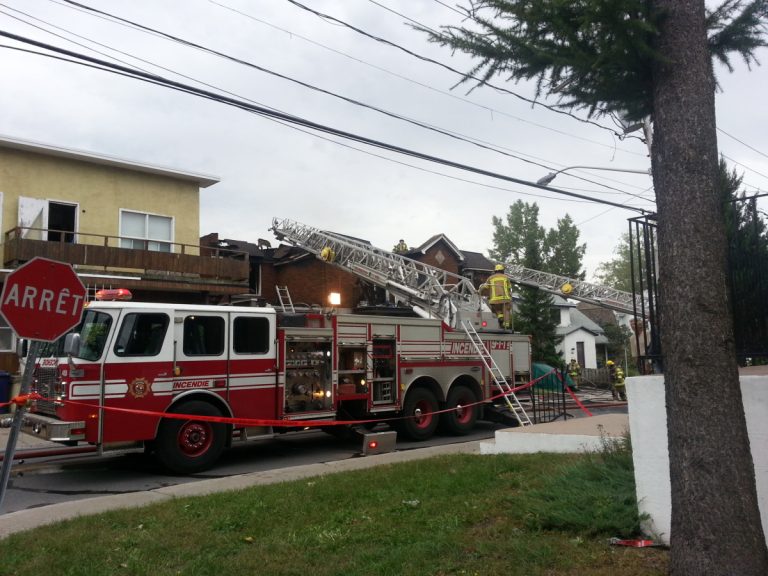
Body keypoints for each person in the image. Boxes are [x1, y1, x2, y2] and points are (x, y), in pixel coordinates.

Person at [480, 264, 513, 330]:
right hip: (505, 299)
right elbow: (509, 288)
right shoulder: (506, 277)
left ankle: (500, 316)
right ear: (502, 270)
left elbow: (485, 287)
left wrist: (478, 291)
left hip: (495, 300)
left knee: (496, 309)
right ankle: (506, 325)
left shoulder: (490, 278)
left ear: (495, 271)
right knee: (506, 310)